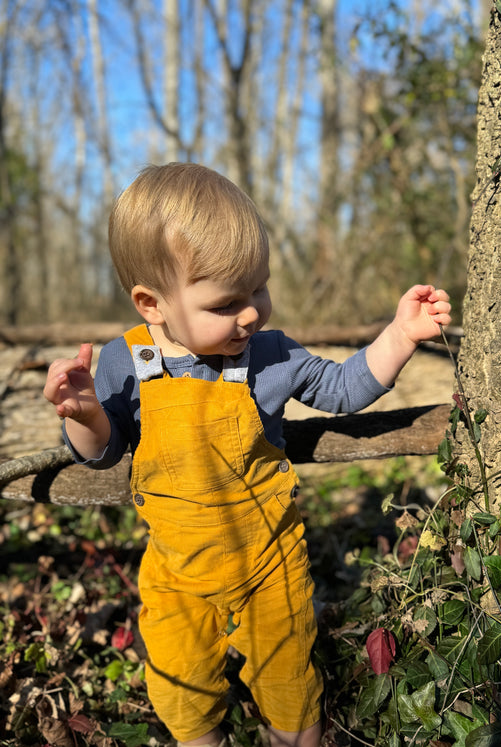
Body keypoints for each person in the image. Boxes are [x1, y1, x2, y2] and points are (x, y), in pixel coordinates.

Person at [43, 163, 451, 747]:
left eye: (259, 287)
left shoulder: (269, 356)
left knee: (289, 682)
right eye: (226, 302)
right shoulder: (124, 363)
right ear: (151, 303)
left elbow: (342, 389)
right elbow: (102, 454)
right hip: (179, 570)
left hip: (268, 562)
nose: (253, 311)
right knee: (183, 688)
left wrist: (399, 337)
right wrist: (84, 415)